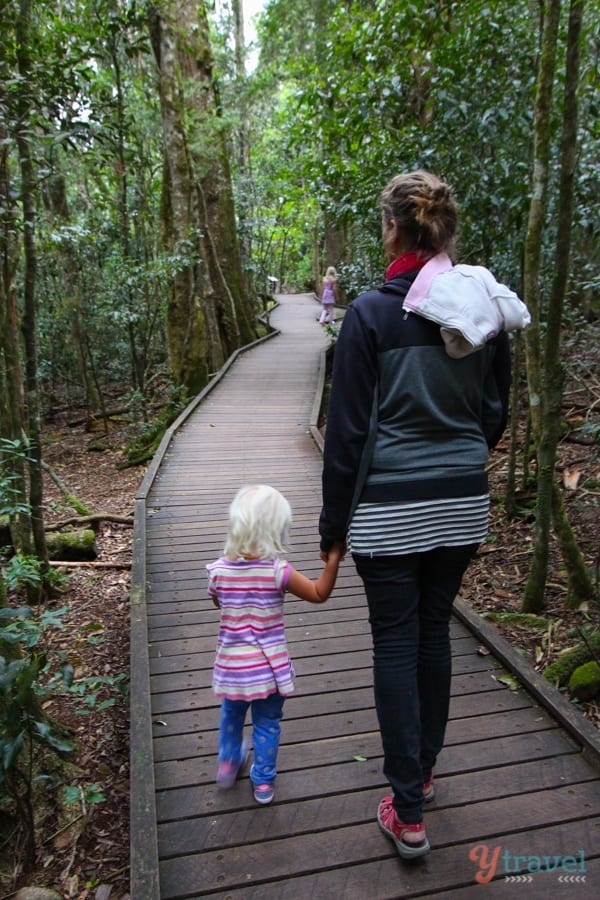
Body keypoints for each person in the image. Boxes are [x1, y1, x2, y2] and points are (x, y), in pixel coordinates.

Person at [318, 170, 529, 858]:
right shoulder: (482, 309)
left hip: (387, 514)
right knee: (432, 636)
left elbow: (346, 434)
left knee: (396, 644)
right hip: (462, 504)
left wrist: (331, 531)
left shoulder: (371, 317)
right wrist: (460, 458)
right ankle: (424, 780)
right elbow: (494, 410)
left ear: (391, 229)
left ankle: (407, 810)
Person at [208, 483, 344, 805]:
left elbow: (219, 603)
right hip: (268, 670)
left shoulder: (218, 572)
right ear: (277, 529)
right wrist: (334, 559)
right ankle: (264, 782)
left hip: (232, 668)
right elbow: (318, 593)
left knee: (231, 715)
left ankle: (228, 764)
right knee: (267, 723)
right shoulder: (277, 572)